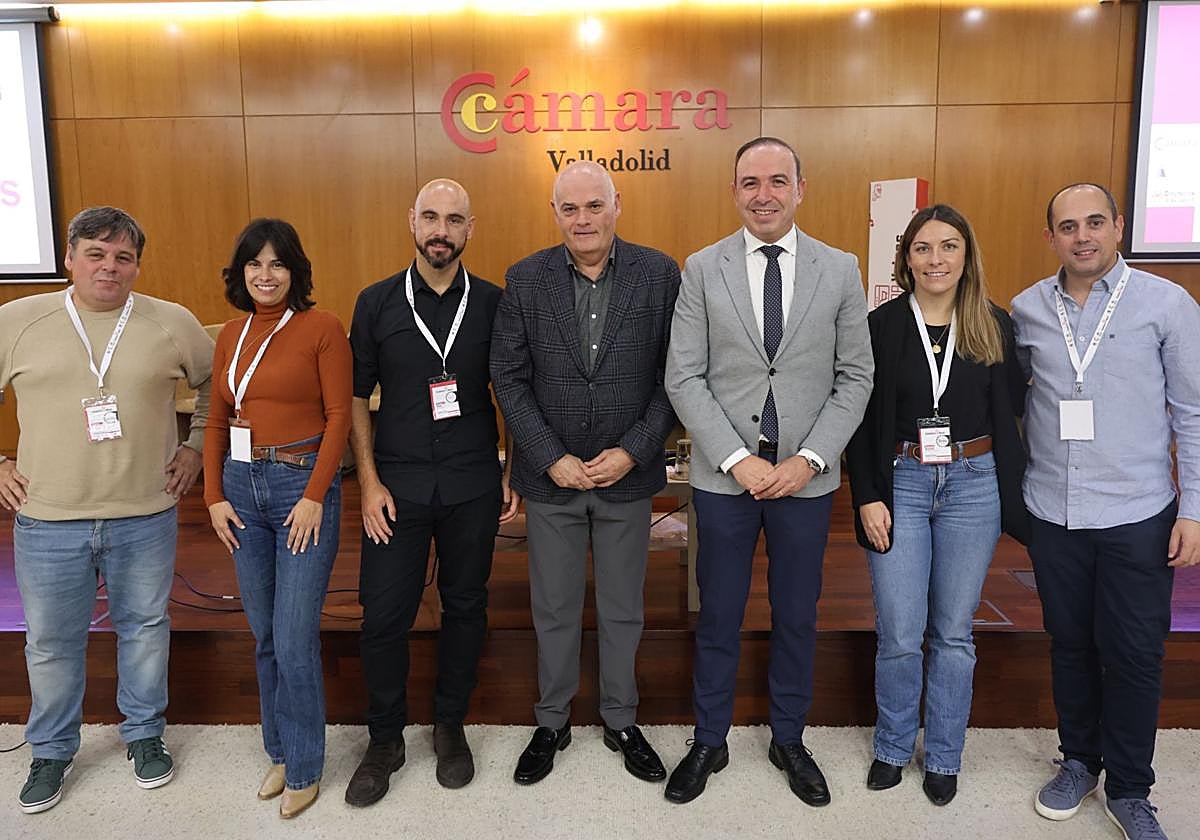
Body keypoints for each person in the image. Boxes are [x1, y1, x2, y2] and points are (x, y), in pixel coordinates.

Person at [664, 137, 873, 806]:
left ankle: (790, 737)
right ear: (734, 192)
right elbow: (684, 375)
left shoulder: (839, 269)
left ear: (800, 189)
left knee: (796, 616)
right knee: (719, 613)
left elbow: (856, 375)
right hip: (724, 480)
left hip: (806, 483)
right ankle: (709, 739)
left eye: (777, 180)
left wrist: (808, 459)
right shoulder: (701, 268)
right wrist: (739, 458)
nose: (764, 194)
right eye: (750, 182)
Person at [0, 206, 213, 814]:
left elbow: (215, 389)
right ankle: (50, 749)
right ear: (69, 257)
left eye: (122, 256)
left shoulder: (171, 322)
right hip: (47, 518)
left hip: (144, 514)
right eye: (95, 253)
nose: (109, 267)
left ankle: (144, 736)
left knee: (144, 631)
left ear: (137, 264)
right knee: (50, 642)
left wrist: (196, 445)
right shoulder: (18, 321)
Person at [1013, 183, 1200, 840]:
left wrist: (1195, 511)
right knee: (1070, 646)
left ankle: (1129, 787)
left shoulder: (1167, 304)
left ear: (1119, 227)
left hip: (1138, 511)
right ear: (1051, 237)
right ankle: (1079, 762)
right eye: (1068, 226)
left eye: (1095, 222)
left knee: (1135, 652)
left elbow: (1193, 412)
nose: (1082, 236)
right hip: (1054, 512)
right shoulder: (1028, 309)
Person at [490, 161, 679, 787]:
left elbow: (674, 377)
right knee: (554, 607)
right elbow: (509, 379)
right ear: (555, 214)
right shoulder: (525, 279)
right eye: (569, 209)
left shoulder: (658, 274)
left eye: (594, 206)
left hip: (627, 474)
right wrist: (548, 455)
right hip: (555, 479)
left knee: (625, 609)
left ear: (616, 204)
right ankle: (552, 721)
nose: (583, 219)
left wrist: (633, 449)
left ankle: (622, 719)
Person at [845, 204, 1029, 807]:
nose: (936, 260)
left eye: (949, 247)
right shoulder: (882, 325)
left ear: (966, 255)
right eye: (923, 248)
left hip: (972, 483)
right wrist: (867, 495)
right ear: (906, 258)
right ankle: (894, 747)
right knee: (899, 629)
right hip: (901, 478)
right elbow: (863, 419)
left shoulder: (992, 325)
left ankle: (945, 755)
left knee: (953, 632)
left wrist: (1010, 495)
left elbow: (1011, 414)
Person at [344, 179, 518, 806]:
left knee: (466, 605)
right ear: (410, 222)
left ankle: (450, 725)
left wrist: (510, 469)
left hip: (473, 481)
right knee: (384, 615)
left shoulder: (498, 303)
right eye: (429, 218)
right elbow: (356, 399)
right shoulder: (376, 303)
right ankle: (385, 738)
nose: (440, 230)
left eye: (453, 219)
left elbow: (515, 394)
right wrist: (366, 483)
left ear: (471, 228)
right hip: (396, 485)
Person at [203, 218, 351, 819]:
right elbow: (215, 421)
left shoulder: (320, 328)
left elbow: (341, 416)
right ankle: (282, 751)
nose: (266, 276)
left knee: (293, 637)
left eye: (278, 264)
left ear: (295, 272)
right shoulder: (230, 335)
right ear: (241, 274)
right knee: (264, 633)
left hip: (301, 487)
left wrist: (317, 493)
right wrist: (213, 496)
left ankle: (308, 765)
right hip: (241, 488)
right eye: (255, 265)